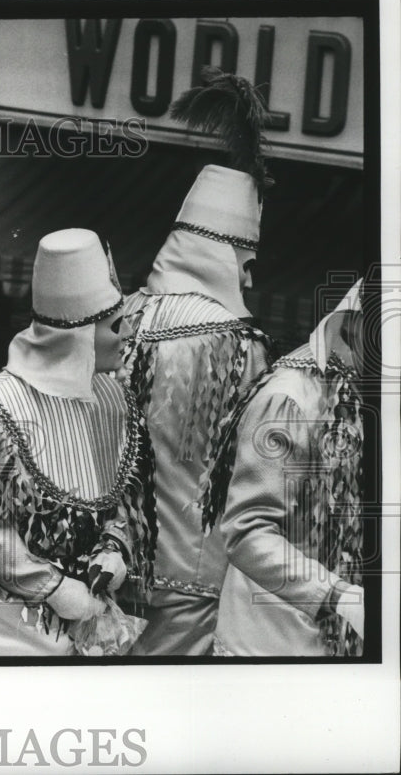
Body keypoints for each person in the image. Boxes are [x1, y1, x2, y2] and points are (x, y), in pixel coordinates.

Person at [0, 229, 157, 656]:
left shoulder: (115, 400)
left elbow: (126, 500)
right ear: (79, 335)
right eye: (115, 324)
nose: (128, 331)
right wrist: (52, 587)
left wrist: (115, 548)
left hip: (88, 634)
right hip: (2, 640)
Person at [121, 69, 274, 655]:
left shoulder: (125, 320)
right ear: (227, 253)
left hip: (107, 563)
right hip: (193, 577)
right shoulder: (242, 344)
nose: (251, 274)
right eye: (246, 256)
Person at [202, 280, 366, 656]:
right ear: (357, 325)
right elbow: (247, 532)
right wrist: (338, 597)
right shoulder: (288, 398)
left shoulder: (362, 390)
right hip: (269, 642)